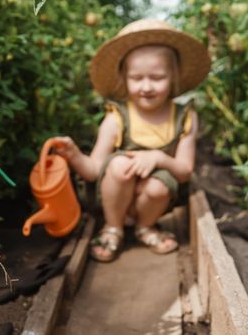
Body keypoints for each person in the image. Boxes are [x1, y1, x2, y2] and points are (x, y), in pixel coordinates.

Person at [53, 19, 210, 262]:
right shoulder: (117, 118)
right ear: (124, 77)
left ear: (173, 76)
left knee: (159, 185)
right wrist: (73, 154)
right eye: (137, 78)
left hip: (152, 202)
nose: (146, 86)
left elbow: (184, 172)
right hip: (114, 199)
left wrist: (159, 158)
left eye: (157, 77)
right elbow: (94, 170)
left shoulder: (184, 117)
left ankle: (145, 227)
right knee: (119, 164)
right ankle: (113, 227)